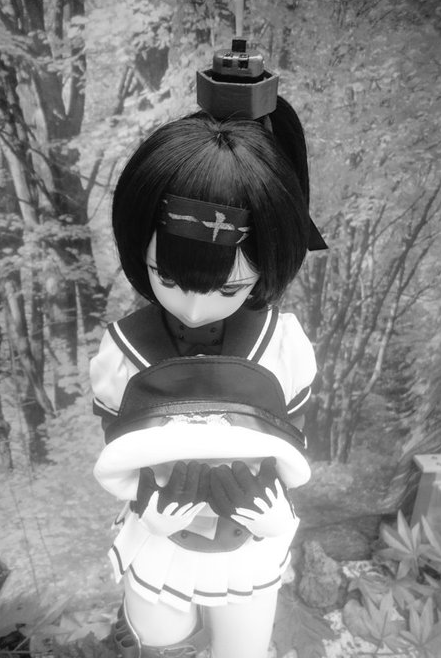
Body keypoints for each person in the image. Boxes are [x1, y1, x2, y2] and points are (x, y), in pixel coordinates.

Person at [90, 87, 326, 658]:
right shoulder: (123, 350)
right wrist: (146, 508)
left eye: (228, 287)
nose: (194, 309)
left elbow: (290, 445)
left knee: (242, 646)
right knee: (159, 637)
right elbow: (117, 447)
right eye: (167, 278)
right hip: (160, 519)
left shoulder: (283, 347)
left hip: (252, 522)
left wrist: (278, 520)